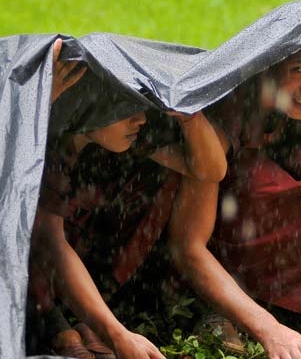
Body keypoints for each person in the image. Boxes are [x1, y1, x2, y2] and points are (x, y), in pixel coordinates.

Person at [167, 12, 301, 359]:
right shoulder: (232, 108)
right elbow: (188, 245)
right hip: (223, 294)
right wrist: (266, 327)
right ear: (270, 65)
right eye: (299, 71)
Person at [29, 39, 227, 359]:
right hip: (30, 278)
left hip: (84, 267)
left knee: (154, 183)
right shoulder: (51, 146)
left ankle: (80, 317)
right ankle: (49, 322)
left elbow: (210, 170)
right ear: (90, 106)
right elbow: (50, 243)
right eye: (126, 110)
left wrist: (190, 115)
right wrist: (117, 334)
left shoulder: (120, 142)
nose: (142, 119)